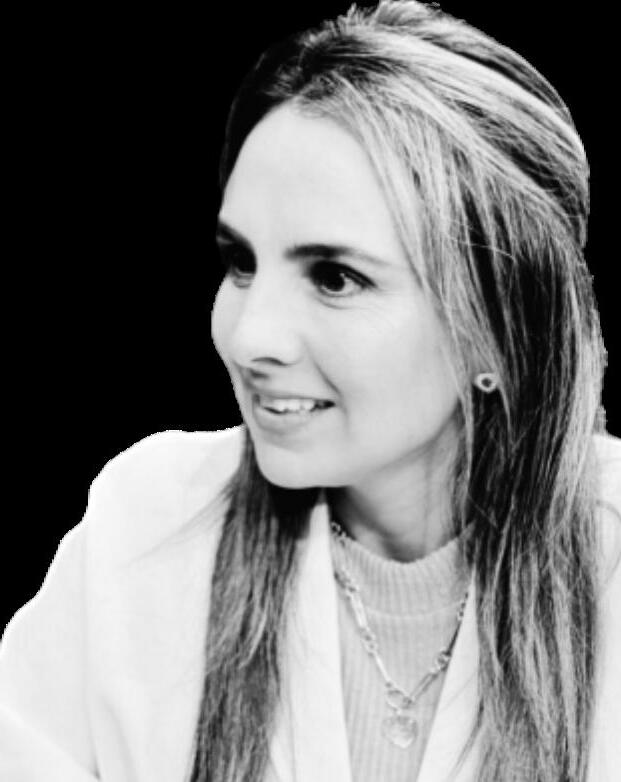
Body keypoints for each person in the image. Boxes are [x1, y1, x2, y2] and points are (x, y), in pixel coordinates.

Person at [1, 1, 620, 780]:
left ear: (498, 327)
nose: (248, 336)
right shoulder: (148, 528)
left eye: (334, 277)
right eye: (241, 262)